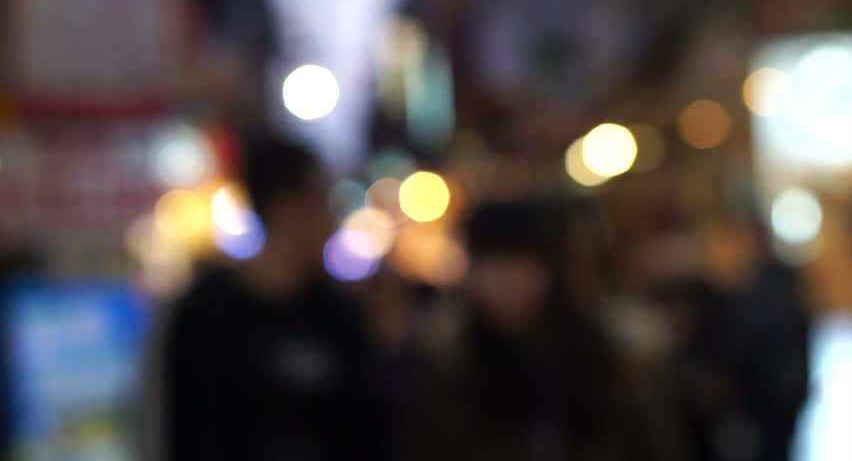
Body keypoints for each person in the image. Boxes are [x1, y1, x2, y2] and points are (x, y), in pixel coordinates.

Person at [143, 138, 389, 461]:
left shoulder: (337, 316)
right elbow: (181, 430)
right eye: (324, 202)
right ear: (286, 208)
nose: (332, 220)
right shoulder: (204, 316)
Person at [404, 201, 666, 461]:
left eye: (519, 265)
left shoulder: (605, 351)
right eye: (492, 265)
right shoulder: (445, 357)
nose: (505, 282)